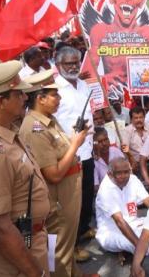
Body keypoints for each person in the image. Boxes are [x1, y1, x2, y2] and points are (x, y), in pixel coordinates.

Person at [0, 61, 51, 276]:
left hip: (27, 243)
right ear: (1, 101)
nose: (25, 97)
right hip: (10, 259)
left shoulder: (5, 134)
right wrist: (35, 272)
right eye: (18, 94)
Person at [19, 70, 90, 276]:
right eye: (54, 95)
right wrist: (75, 144)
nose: (59, 99)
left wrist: (75, 138)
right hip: (58, 200)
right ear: (40, 98)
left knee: (66, 246)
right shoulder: (35, 127)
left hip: (66, 196)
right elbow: (54, 174)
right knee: (59, 251)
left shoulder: (48, 119)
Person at [53, 46, 95, 258]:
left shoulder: (84, 85)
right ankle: (73, 245)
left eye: (76, 62)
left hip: (88, 150)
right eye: (68, 63)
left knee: (87, 196)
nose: (73, 67)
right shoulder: (53, 89)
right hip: (68, 153)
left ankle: (83, 229)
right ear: (58, 65)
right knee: (71, 203)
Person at [95, 157, 149, 253]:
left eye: (126, 172)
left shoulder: (133, 179)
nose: (124, 176)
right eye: (119, 173)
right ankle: (147, 249)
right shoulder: (105, 190)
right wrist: (140, 248)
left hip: (135, 224)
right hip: (112, 231)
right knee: (137, 244)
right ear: (110, 174)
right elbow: (120, 222)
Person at [121, 106, 149, 172]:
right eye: (136, 118)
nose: (139, 120)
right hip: (137, 164)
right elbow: (124, 147)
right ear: (131, 119)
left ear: (144, 118)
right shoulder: (127, 131)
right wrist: (131, 158)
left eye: (141, 117)